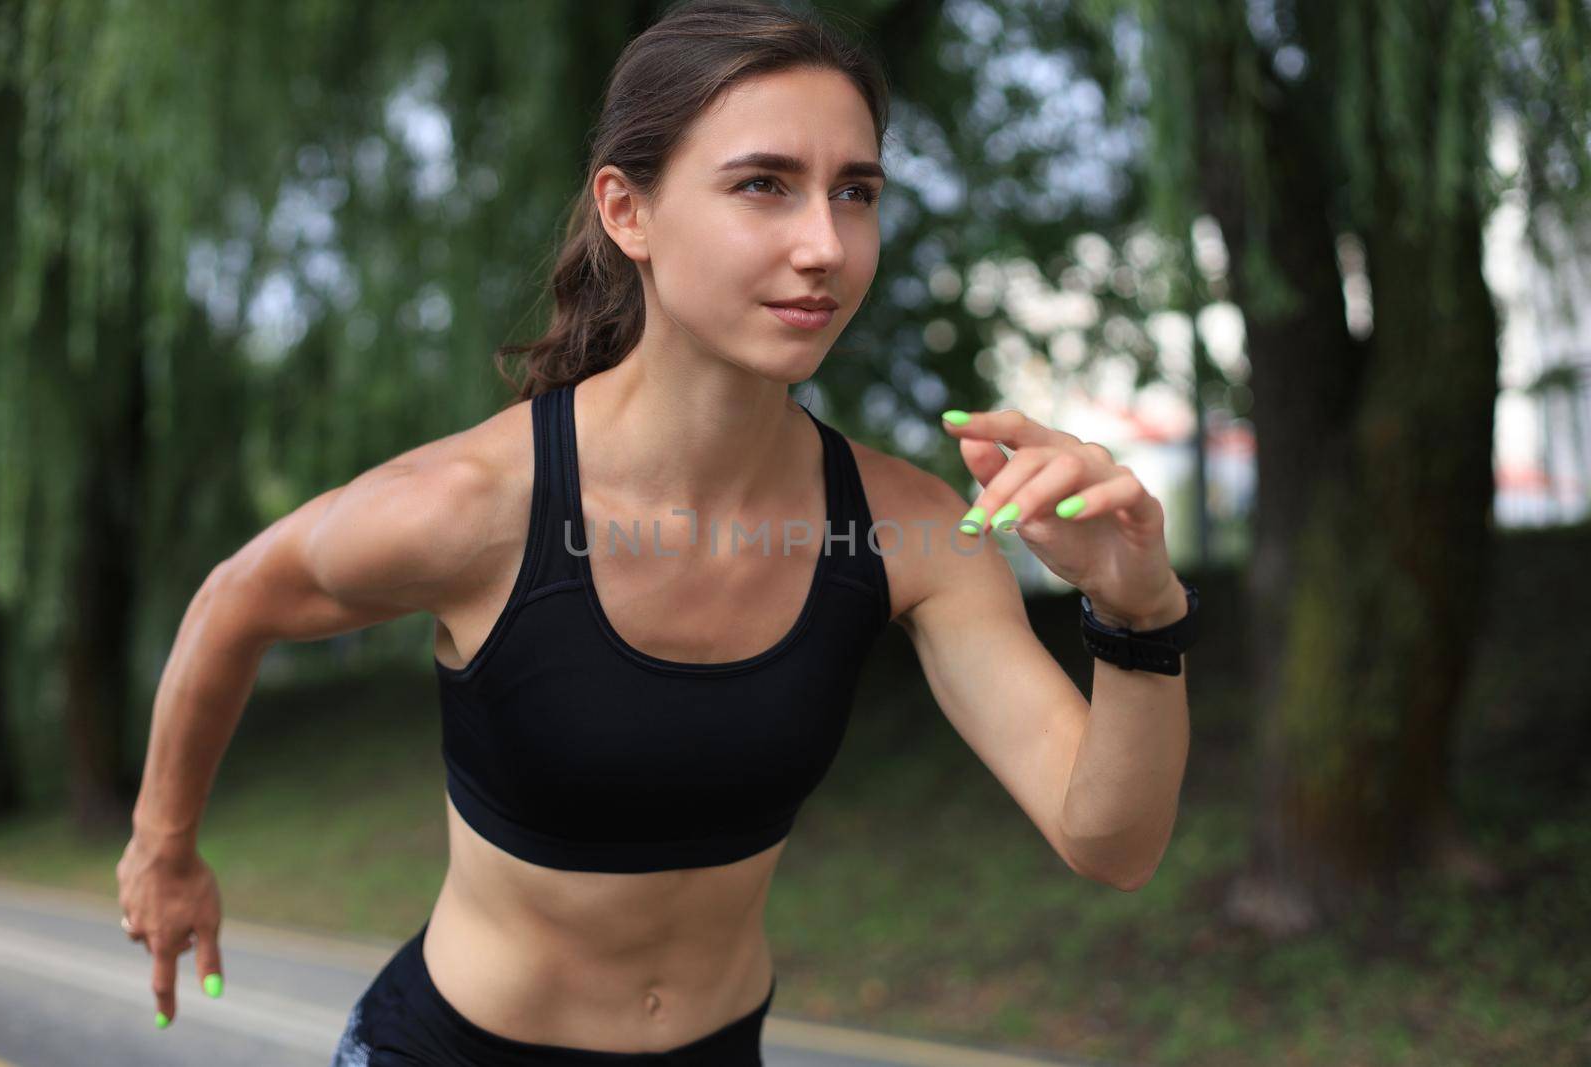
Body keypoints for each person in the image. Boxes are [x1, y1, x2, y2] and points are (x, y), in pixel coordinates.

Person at [115, 1, 1195, 1064]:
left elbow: (1110, 841)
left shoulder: (906, 529)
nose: (824, 244)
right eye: (763, 185)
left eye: (854, 192)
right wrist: (164, 847)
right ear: (627, 212)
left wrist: (1136, 609)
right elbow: (236, 598)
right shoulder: (474, 505)